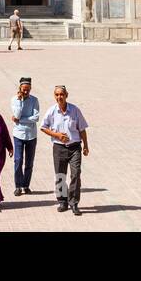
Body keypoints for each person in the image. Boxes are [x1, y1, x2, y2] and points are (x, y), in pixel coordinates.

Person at [40, 85, 90, 215]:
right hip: (59, 148)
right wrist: (57, 135)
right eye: (56, 95)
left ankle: (74, 203)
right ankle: (63, 201)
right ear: (54, 96)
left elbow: (82, 129)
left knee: (76, 174)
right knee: (60, 176)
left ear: (66, 95)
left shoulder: (75, 110)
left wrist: (85, 146)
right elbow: (43, 127)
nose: (59, 97)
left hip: (75, 148)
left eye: (61, 94)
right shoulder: (51, 111)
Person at [10, 77, 40, 194]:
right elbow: (16, 115)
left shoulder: (34, 100)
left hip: (31, 135)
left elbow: (36, 118)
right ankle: (18, 185)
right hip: (18, 135)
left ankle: (26, 185)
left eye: (28, 89)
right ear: (20, 88)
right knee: (18, 160)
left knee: (29, 162)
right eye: (24, 89)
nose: (26, 92)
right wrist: (20, 101)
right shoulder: (14, 100)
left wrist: (20, 120)